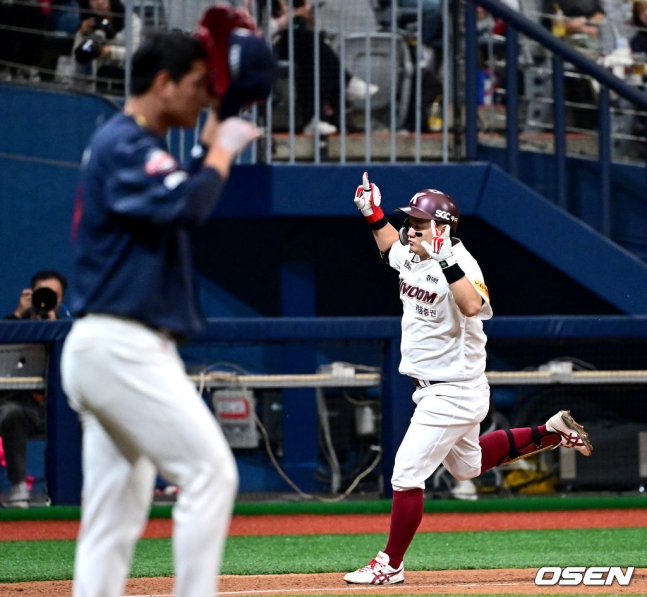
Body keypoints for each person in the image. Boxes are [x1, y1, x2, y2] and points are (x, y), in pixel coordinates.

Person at [60, 29, 266, 597]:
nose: (204, 96)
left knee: (115, 513)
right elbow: (188, 202)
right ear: (162, 82)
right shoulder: (126, 142)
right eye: (197, 85)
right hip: (120, 345)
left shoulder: (128, 143)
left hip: (106, 345)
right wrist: (221, 148)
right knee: (211, 474)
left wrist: (206, 146)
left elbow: (179, 190)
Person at [343, 173, 593, 585]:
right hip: (438, 390)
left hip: (454, 392)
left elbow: (474, 305)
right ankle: (552, 432)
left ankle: (390, 564)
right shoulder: (413, 252)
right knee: (467, 467)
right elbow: (390, 249)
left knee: (406, 473)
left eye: (417, 224)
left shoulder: (461, 263)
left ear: (440, 229)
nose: (408, 229)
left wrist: (445, 259)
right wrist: (371, 212)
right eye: (408, 221)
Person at [0, 270, 67, 508]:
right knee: (9, 412)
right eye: (42, 293)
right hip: (25, 409)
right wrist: (19, 316)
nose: (46, 300)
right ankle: (19, 487)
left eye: (53, 295)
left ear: (61, 300)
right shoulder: (15, 326)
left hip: (60, 409)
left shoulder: (68, 330)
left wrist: (52, 326)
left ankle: (77, 488)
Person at [272, 0, 378, 134]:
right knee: (307, 41)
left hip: (295, 46)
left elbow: (317, 33)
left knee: (311, 58)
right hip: (267, 47)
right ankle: (346, 84)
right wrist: (291, 16)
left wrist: (309, 19)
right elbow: (265, 30)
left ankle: (313, 119)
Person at [72, 0, 142, 93]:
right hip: (96, 82)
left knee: (106, 72)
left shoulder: (132, 20)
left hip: (125, 79)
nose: (99, 2)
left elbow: (135, 53)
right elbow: (77, 57)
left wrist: (111, 52)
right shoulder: (90, 23)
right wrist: (82, 34)